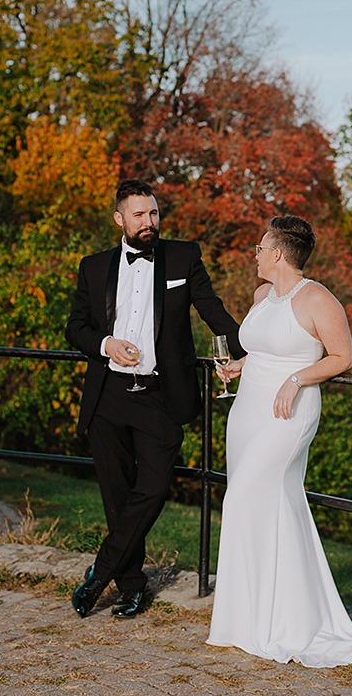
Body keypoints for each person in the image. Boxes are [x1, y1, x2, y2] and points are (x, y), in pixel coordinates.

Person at [206, 215, 352, 668]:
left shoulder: (318, 298)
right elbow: (259, 349)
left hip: (288, 414)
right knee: (264, 506)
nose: (255, 254)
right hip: (247, 413)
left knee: (242, 499)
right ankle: (250, 618)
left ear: (277, 253)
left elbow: (343, 356)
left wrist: (296, 379)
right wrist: (239, 366)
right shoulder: (262, 296)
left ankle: (291, 624)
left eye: (260, 247)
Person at [65, 179, 245, 619]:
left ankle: (99, 574)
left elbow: (212, 310)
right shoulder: (93, 267)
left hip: (160, 396)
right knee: (116, 495)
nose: (150, 222)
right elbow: (75, 328)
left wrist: (251, 349)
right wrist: (106, 344)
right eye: (140, 215)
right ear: (120, 219)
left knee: (153, 489)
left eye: (154, 213)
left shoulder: (184, 256)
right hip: (107, 395)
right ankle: (130, 587)